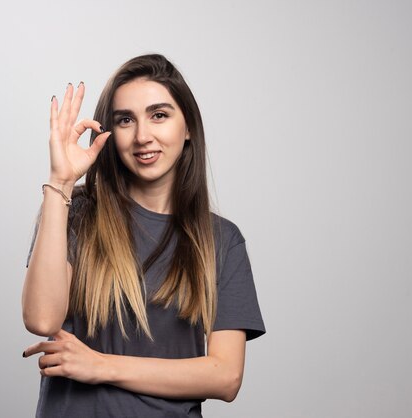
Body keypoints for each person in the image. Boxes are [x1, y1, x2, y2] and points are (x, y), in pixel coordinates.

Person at [21, 53, 265, 417]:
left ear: (188, 129)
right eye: (125, 120)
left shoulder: (221, 240)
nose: (142, 136)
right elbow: (41, 320)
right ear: (109, 132)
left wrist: (102, 366)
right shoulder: (77, 213)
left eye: (159, 115)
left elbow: (225, 376)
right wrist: (60, 183)